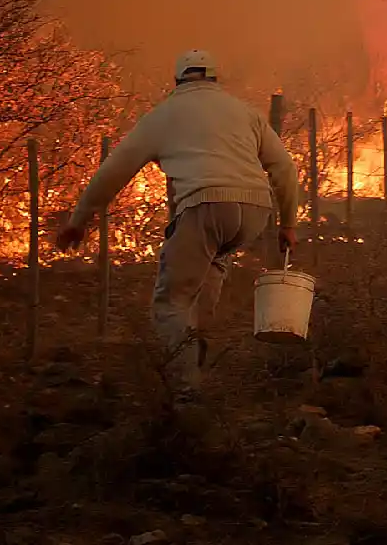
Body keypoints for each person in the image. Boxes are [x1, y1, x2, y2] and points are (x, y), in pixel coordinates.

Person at [55, 49, 300, 399]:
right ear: (214, 79)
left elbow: (113, 172)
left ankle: (185, 394)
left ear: (177, 81)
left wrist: (79, 220)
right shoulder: (245, 113)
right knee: (205, 278)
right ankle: (200, 360)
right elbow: (285, 169)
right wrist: (288, 223)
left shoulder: (162, 117)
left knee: (171, 301)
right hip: (253, 212)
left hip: (204, 206)